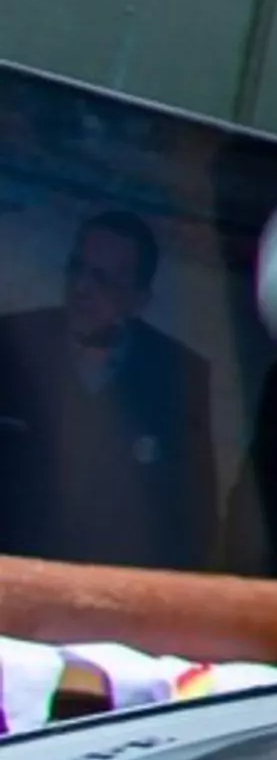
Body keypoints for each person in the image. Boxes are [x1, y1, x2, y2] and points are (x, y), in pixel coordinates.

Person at [0, 208, 214, 569]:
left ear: (138, 300)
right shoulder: (11, 344)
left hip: (113, 601)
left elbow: (192, 521)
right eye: (76, 268)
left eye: (101, 278)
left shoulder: (177, 375)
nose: (81, 288)